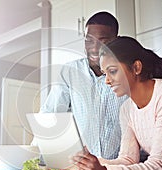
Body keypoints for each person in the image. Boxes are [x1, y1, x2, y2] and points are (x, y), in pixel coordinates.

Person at [72, 36, 162, 170]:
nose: (107, 81)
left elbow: (159, 166)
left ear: (136, 67)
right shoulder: (127, 109)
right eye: (105, 74)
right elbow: (128, 159)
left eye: (112, 71)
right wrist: (88, 165)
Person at [36, 12, 127, 159]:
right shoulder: (69, 72)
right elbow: (50, 114)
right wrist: (36, 157)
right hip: (83, 169)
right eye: (89, 41)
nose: (95, 48)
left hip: (123, 167)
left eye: (103, 41)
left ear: (116, 40)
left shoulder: (127, 73)